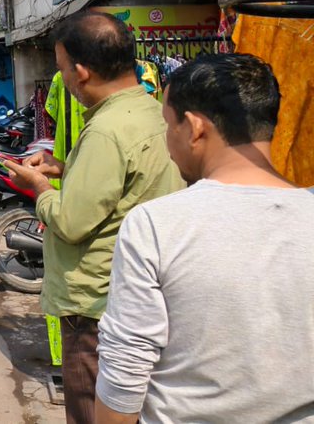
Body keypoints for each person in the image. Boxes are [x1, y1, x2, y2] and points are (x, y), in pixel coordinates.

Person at [95, 54, 314, 424]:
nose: (168, 140)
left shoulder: (155, 225)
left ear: (195, 127)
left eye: (168, 125)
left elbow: (125, 372)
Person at [4, 11, 183, 424]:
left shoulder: (106, 130)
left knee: (92, 412)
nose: (63, 78)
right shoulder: (151, 111)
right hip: (141, 299)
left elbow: (69, 222)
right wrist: (65, 168)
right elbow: (124, 187)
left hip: (98, 308)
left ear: (81, 72)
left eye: (63, 69)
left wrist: (39, 186)